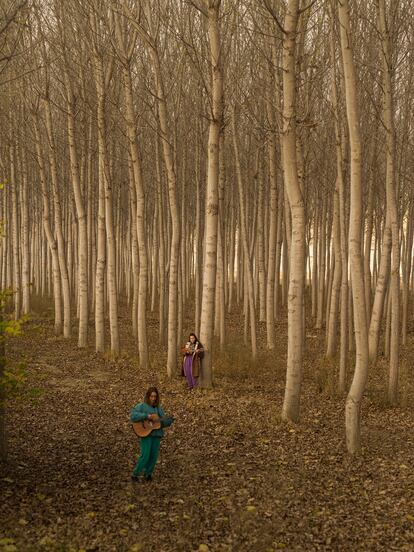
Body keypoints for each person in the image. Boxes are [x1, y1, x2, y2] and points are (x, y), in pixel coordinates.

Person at [130, 387, 174, 482]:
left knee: (153, 456)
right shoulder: (142, 406)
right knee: (145, 455)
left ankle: (148, 474)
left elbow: (161, 422)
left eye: (155, 396)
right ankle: (135, 474)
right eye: (151, 396)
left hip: (156, 434)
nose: (153, 398)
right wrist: (147, 416)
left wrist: (169, 421)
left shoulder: (159, 409)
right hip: (146, 434)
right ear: (148, 396)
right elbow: (133, 416)